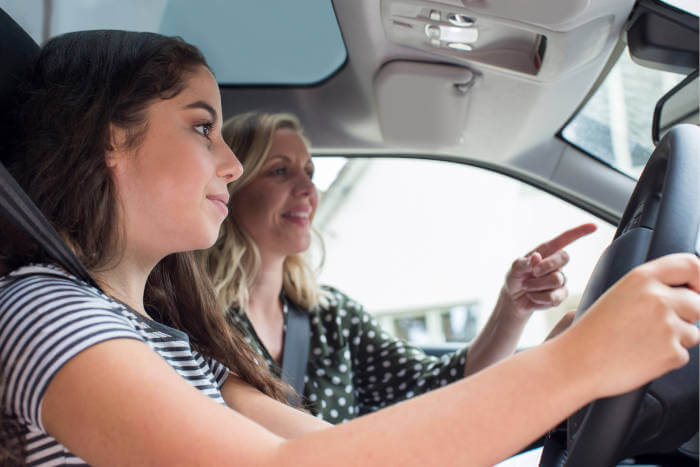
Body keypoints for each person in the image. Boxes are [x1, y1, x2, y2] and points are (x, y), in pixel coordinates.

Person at [0, 30, 698, 467]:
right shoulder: (45, 311)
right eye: (201, 128)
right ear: (110, 142)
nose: (230, 164)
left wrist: (564, 359)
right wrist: (573, 366)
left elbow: (313, 443)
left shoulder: (170, 338)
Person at [204, 111, 596, 422]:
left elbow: (436, 389)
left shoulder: (330, 315)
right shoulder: (198, 322)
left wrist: (513, 309)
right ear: (231, 188)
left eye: (310, 172)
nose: (308, 189)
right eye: (279, 170)